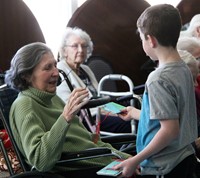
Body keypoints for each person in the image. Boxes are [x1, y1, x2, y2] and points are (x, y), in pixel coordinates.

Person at [4, 42, 131, 177]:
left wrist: (125, 157)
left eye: (55, 65)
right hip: (82, 170)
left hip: (104, 160)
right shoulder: (25, 106)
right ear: (26, 75)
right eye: (48, 68)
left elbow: (86, 139)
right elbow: (41, 161)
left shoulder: (52, 98)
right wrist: (65, 117)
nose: (56, 73)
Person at [113, 4, 198, 178]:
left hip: (163, 167)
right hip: (184, 159)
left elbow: (169, 130)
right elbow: (173, 115)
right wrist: (136, 113)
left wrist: (136, 160)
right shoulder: (183, 68)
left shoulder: (157, 79)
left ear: (151, 40)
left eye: (142, 39)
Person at [56, 27, 132, 134]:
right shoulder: (61, 71)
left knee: (134, 115)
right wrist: (109, 111)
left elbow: (99, 95)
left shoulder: (86, 69)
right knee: (128, 123)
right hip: (88, 118)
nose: (80, 50)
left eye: (84, 46)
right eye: (75, 46)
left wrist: (118, 109)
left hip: (103, 109)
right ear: (64, 50)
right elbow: (68, 104)